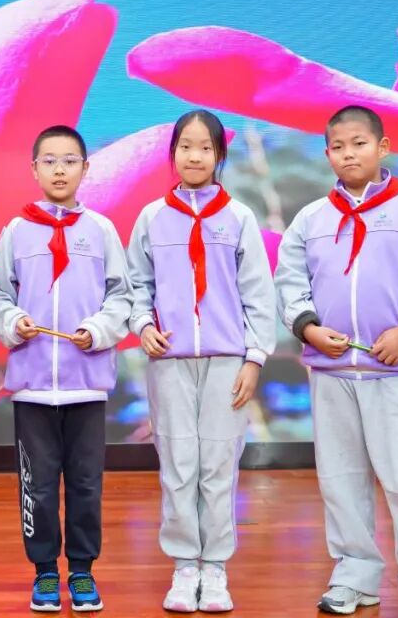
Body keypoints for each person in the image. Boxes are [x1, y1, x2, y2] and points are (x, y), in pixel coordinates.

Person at [275, 105, 398, 618]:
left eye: (359, 143)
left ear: (382, 147)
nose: (348, 154)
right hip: (333, 373)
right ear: (327, 154)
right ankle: (354, 576)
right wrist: (309, 328)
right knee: (341, 481)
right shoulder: (310, 219)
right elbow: (289, 283)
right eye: (338, 146)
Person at [126, 109, 276, 613]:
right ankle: (183, 565)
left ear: (219, 155)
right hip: (169, 361)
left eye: (205, 147)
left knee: (218, 465)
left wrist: (254, 358)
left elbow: (258, 294)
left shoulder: (240, 218)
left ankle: (215, 568)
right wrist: (143, 325)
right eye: (185, 146)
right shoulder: (151, 217)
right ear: (173, 154)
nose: (194, 156)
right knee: (177, 465)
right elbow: (136, 285)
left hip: (227, 361)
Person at [0, 124, 132, 612]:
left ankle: (83, 570)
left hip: (86, 386)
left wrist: (97, 329)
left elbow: (121, 296)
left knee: (87, 484)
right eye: (49, 161)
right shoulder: (15, 231)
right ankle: (46, 571)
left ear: (85, 168)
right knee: (38, 485)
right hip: (32, 387)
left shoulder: (101, 230)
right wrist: (13, 322)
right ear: (34, 169)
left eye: (70, 160)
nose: (59, 169)